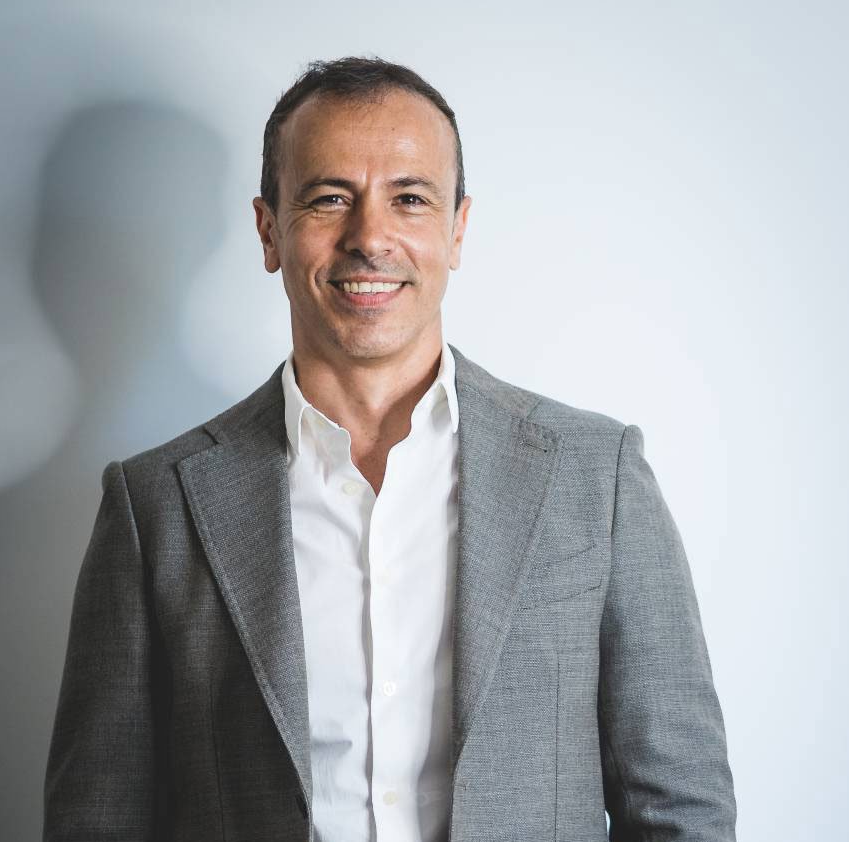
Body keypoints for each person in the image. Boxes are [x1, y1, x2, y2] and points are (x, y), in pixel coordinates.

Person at [43, 56, 737, 842]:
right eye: (329, 198)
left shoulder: (595, 477)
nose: (370, 237)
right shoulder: (156, 506)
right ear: (269, 230)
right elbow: (96, 819)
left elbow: (680, 810)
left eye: (409, 199)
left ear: (457, 229)